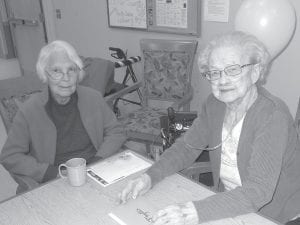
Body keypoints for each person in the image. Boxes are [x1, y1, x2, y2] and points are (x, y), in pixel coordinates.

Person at [118, 31, 300, 224]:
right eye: (214, 72)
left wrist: (194, 211)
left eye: (232, 70)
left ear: (254, 72)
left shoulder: (272, 115)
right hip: (231, 202)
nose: (222, 80)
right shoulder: (214, 104)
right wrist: (149, 177)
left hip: (274, 214)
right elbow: (185, 148)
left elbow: (258, 191)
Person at [0, 40, 126, 193]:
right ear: (44, 74)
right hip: (56, 181)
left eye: (71, 70)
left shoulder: (93, 98)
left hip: (96, 170)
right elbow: (10, 156)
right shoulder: (30, 110)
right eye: (56, 71)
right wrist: (49, 172)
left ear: (78, 73)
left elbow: (116, 131)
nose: (65, 78)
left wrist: (98, 161)